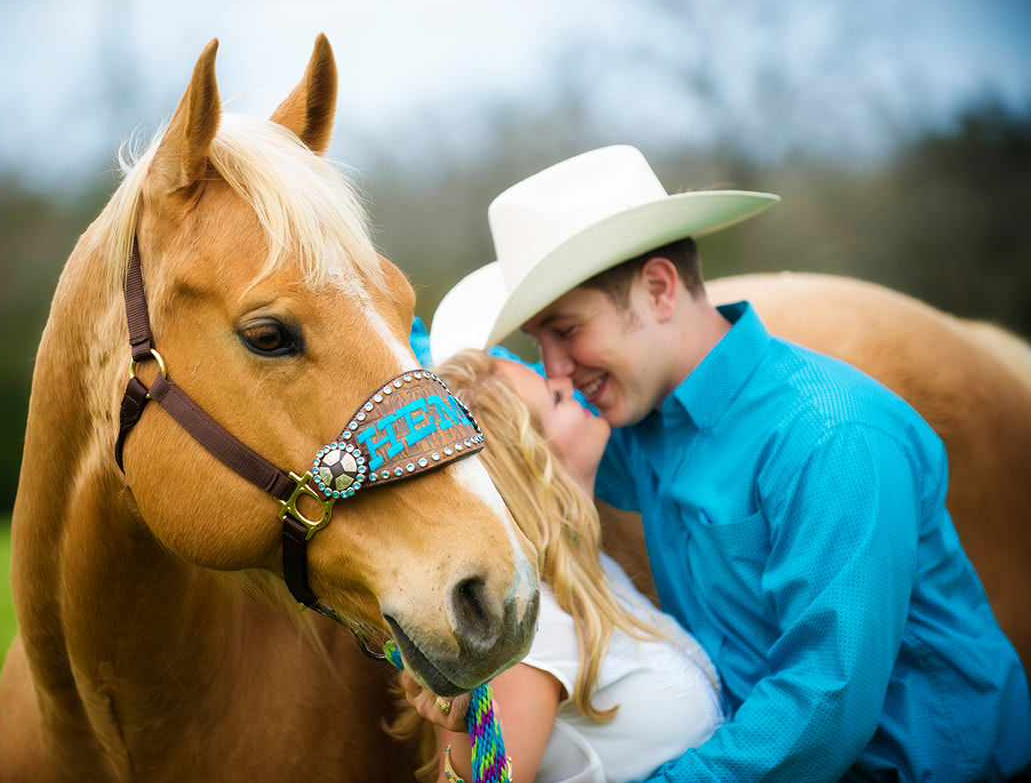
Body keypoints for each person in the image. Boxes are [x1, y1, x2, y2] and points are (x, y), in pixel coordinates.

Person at [422, 145, 1031, 781]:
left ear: (658, 289)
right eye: (539, 344)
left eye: (567, 330)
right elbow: (523, 440)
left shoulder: (832, 436)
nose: (554, 369)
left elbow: (823, 701)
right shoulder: (641, 429)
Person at [396, 348, 726, 783]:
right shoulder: (527, 634)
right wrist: (466, 734)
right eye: (553, 399)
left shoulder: (591, 571)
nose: (565, 385)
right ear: (532, 461)